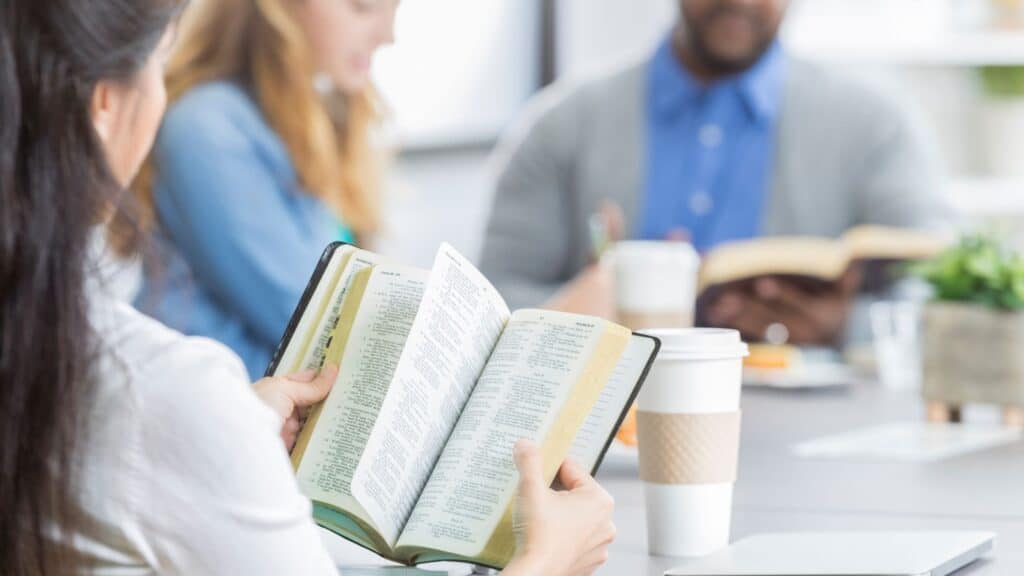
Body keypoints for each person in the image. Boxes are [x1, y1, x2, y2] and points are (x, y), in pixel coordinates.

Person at [0, 1, 616, 574]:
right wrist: (545, 563)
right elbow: (335, 328)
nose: (388, 31)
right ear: (105, 104)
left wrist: (233, 428)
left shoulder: (92, 364)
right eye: (160, 65)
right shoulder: (166, 386)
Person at [479, 0, 948, 345]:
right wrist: (588, 312)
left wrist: (846, 327)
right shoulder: (561, 124)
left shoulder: (875, 123)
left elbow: (949, 297)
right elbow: (490, 302)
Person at [128, 0, 393, 378]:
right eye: (362, 8)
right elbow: (313, 319)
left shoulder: (306, 121)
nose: (388, 36)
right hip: (213, 413)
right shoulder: (206, 127)